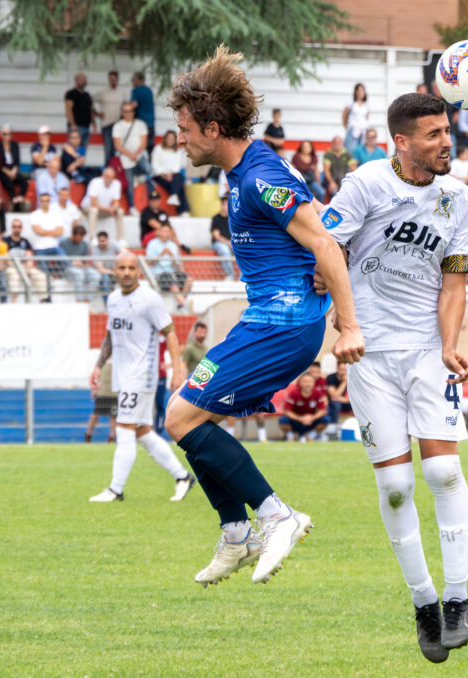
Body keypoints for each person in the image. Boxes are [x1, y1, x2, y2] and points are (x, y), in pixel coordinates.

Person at [164, 48, 362, 589]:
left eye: (184, 129)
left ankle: (275, 516)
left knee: (179, 418)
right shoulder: (248, 171)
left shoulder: (258, 176)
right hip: (271, 319)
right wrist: (321, 265)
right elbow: (325, 227)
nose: (178, 139)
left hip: (285, 323)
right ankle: (235, 531)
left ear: (211, 126)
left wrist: (348, 324)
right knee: (185, 416)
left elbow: (322, 238)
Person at [319, 91, 468, 660]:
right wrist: (344, 321)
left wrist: (452, 346)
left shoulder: (458, 197)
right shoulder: (364, 185)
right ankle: (424, 604)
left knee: (442, 470)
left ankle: (457, 599)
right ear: (401, 142)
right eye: (432, 134)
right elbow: (325, 246)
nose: (445, 141)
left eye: (447, 130)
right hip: (370, 356)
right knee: (395, 486)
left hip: (429, 351)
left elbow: (454, 281)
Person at [88, 252, 197, 502]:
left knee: (124, 429)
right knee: (142, 432)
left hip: (141, 374)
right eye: (121, 268)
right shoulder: (113, 299)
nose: (126, 272)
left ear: (138, 271)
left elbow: (169, 333)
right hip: (122, 374)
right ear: (113, 270)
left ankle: (116, 489)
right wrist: (98, 365)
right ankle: (182, 477)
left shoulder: (149, 299)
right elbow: (110, 334)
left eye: (131, 268)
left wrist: (177, 372)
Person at [113, 102, 151, 212]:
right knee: (129, 185)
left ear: (133, 112)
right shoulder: (118, 126)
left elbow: (144, 142)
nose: (128, 113)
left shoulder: (140, 124)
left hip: (139, 156)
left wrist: (135, 154)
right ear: (122, 112)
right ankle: (132, 207)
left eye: (130, 111)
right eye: (125, 111)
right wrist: (130, 155)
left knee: (148, 169)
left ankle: (138, 176)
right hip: (125, 159)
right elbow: (117, 145)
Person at [145, 223, 190, 311]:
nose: (165, 233)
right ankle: (185, 305)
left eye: (167, 231)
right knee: (172, 283)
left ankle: (181, 304)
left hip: (172, 272)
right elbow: (150, 262)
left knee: (188, 281)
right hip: (159, 274)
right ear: (158, 232)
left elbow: (177, 265)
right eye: (163, 231)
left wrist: (172, 257)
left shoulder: (173, 245)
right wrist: (161, 254)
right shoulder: (152, 244)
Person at [4, 218, 50, 302]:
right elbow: (5, 255)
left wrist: (29, 267)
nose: (16, 228)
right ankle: (14, 302)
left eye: (19, 226)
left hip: (24, 266)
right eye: (14, 226)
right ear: (11, 228)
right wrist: (13, 265)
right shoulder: (6, 240)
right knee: (14, 276)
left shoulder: (25, 241)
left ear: (21, 228)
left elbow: (29, 255)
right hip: (12, 266)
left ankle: (43, 300)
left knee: (40, 275)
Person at [278, 373, 329, 441]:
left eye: (310, 381)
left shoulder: (317, 393)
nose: (307, 384)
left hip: (311, 421)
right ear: (300, 383)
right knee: (283, 420)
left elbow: (322, 410)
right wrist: (301, 418)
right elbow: (287, 411)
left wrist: (312, 418)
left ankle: (311, 437)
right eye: (305, 381)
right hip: (296, 421)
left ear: (314, 383)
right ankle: (291, 437)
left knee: (326, 419)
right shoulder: (294, 393)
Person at [27, 192, 68, 275]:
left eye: (46, 200)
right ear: (39, 202)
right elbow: (38, 231)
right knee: (44, 273)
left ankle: (54, 273)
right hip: (39, 248)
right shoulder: (34, 215)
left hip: (54, 246)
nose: (44, 202)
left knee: (65, 262)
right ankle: (50, 276)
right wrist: (53, 232)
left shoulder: (56, 214)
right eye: (42, 201)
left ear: (49, 202)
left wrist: (44, 231)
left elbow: (60, 232)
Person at [82, 166, 126, 242]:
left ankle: (121, 239)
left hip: (104, 209)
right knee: (94, 210)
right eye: (107, 177)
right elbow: (93, 203)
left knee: (120, 211)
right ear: (103, 175)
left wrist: (114, 207)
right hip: (88, 208)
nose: (109, 179)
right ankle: (93, 238)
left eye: (111, 177)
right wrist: (108, 209)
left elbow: (116, 201)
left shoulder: (117, 184)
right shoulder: (95, 182)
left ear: (114, 178)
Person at [151, 130, 190, 213]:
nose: (170, 140)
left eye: (172, 139)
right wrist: (164, 175)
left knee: (179, 177)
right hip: (159, 176)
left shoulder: (177, 151)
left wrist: (170, 174)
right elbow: (155, 165)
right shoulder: (158, 148)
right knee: (179, 184)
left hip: (172, 175)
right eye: (168, 138)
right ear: (165, 139)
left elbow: (177, 166)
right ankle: (182, 209)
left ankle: (174, 196)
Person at [57, 224, 97, 300]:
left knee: (95, 275)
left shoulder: (84, 244)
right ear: (73, 235)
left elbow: (85, 260)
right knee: (79, 274)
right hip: (67, 269)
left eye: (82, 237)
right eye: (78, 236)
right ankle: (79, 300)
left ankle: (88, 300)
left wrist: (84, 263)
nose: (80, 239)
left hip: (81, 267)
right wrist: (72, 263)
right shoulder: (63, 243)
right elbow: (61, 260)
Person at [0, 125, 28, 210]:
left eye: (9, 134)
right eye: (5, 134)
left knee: (24, 182)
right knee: (8, 182)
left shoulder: (15, 144)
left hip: (13, 169)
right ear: (1, 135)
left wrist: (14, 170)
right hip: (3, 170)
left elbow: (17, 160)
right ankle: (14, 199)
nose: (7, 136)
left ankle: (19, 198)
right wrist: (7, 172)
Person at [93, 71, 125, 163]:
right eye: (111, 79)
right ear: (108, 80)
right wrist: (97, 114)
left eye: (115, 79)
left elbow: (126, 106)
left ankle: (114, 171)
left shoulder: (122, 93)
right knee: (108, 150)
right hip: (106, 124)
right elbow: (89, 102)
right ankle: (107, 172)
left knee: (116, 150)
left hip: (119, 125)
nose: (113, 81)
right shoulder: (103, 93)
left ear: (117, 80)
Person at [86, 360, 117, 443]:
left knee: (114, 416)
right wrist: (93, 390)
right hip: (102, 392)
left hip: (114, 393)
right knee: (95, 415)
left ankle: (112, 437)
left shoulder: (119, 358)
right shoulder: (102, 359)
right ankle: (88, 435)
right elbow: (95, 376)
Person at [64, 73, 94, 150]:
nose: (85, 81)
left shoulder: (87, 95)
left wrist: (94, 122)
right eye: (83, 80)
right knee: (74, 150)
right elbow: (68, 109)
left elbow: (90, 109)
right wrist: (73, 124)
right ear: (76, 81)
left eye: (85, 80)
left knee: (82, 151)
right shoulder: (71, 94)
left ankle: (81, 162)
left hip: (86, 126)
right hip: (76, 127)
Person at [210, 194, 235, 280]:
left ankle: (244, 276)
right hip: (219, 243)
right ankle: (230, 275)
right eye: (225, 204)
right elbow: (216, 236)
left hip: (232, 242)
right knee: (225, 251)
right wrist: (228, 243)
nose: (226, 207)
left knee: (243, 250)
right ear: (221, 205)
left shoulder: (233, 218)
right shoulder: (216, 218)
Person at [130, 71, 156, 153]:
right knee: (149, 148)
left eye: (133, 80)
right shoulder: (149, 91)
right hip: (151, 123)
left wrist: (125, 108)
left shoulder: (137, 90)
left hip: (141, 123)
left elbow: (134, 105)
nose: (133, 83)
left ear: (138, 80)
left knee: (139, 147)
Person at [91, 230, 119, 297]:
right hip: (101, 273)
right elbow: (101, 269)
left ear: (107, 240)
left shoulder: (113, 244)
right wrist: (113, 272)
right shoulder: (95, 250)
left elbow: (124, 252)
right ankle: (107, 304)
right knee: (105, 278)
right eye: (99, 241)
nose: (100, 243)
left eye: (102, 241)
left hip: (112, 271)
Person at [343, 83, 369, 153]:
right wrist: (347, 127)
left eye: (362, 90)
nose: (361, 92)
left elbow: (366, 117)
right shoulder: (351, 102)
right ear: (356, 92)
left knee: (361, 150)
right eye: (359, 90)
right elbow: (344, 115)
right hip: (353, 129)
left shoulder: (366, 104)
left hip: (363, 130)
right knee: (351, 150)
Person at [325, 361, 352, 429]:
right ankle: (334, 427)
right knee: (336, 404)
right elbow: (333, 396)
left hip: (346, 403)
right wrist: (344, 382)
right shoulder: (331, 377)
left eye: (345, 370)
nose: (343, 372)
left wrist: (345, 400)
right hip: (333, 403)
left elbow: (352, 397)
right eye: (341, 370)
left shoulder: (351, 377)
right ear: (337, 368)